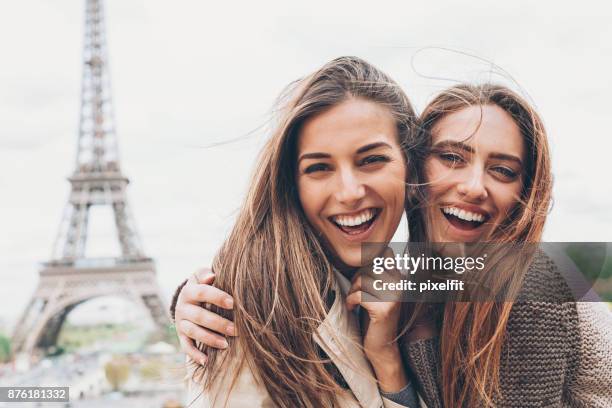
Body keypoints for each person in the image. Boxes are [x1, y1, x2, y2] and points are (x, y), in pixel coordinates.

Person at [173, 79, 612, 407]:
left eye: (503, 170)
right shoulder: (420, 277)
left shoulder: (529, 284)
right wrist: (194, 295)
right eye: (452, 157)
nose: (474, 186)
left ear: (525, 192)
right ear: (415, 172)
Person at [181, 56, 424, 408]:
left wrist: (387, 361)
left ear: (409, 165)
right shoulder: (253, 302)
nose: (349, 192)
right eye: (319, 168)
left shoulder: (402, 280)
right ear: (290, 183)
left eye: (371, 160)